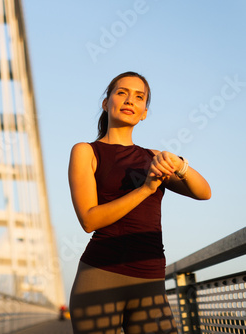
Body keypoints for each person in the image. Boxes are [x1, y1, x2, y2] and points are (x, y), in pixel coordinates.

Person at [68, 71, 211, 334]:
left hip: (150, 276)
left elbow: (204, 192)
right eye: (121, 92)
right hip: (100, 274)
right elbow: (89, 220)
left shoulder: (154, 157)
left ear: (144, 112)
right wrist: (146, 189)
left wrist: (180, 166)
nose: (129, 100)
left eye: (139, 97)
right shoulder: (86, 151)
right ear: (106, 102)